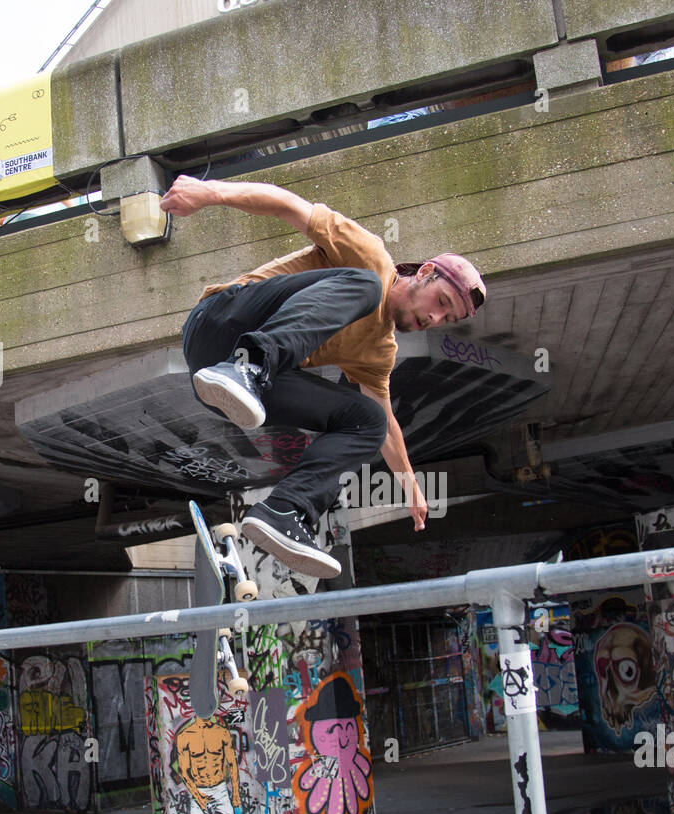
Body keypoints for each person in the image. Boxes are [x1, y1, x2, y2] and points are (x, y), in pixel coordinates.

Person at [159, 175, 485, 578]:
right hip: (220, 322)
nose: (433, 318)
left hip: (236, 382)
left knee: (369, 419)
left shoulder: (379, 350)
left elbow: (386, 429)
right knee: (367, 285)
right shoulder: (371, 256)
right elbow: (286, 205)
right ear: (425, 273)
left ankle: (285, 509)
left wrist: (412, 487)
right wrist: (210, 193)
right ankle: (250, 363)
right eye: (440, 302)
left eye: (444, 319)